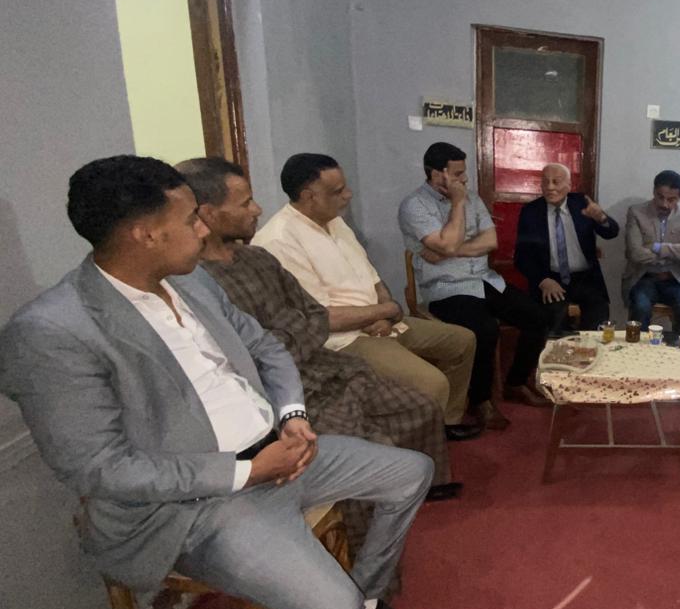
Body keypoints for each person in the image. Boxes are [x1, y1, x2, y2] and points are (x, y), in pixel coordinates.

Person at [0, 156, 431, 609]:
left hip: (280, 452)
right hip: (198, 504)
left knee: (409, 472)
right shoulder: (51, 330)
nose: (203, 230)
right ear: (145, 234)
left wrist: (292, 415)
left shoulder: (192, 282)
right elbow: (98, 468)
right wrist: (249, 471)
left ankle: (363, 604)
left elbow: (267, 347)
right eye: (189, 220)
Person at [180, 157, 463, 510]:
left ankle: (421, 486)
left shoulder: (258, 258)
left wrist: (380, 311)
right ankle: (362, 525)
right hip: (291, 383)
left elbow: (311, 313)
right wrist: (297, 334)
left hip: (326, 363)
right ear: (208, 214)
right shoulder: (200, 281)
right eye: (246, 203)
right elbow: (262, 347)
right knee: (367, 443)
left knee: (419, 407)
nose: (257, 209)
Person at [251, 153, 479, 441]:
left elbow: (373, 277)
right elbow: (321, 317)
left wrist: (385, 312)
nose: (348, 195)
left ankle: (444, 422)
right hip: (344, 340)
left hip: (380, 320)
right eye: (338, 191)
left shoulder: (334, 222)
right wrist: (385, 311)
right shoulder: (279, 240)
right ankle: (419, 451)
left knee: (463, 341)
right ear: (309, 196)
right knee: (432, 383)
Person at [398, 142, 550, 429]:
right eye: (457, 174)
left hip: (484, 278)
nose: (465, 179)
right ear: (436, 174)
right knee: (484, 329)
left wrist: (449, 250)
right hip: (446, 286)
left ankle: (516, 382)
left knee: (537, 316)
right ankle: (480, 401)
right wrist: (456, 205)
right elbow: (445, 243)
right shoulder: (414, 206)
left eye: (463, 172)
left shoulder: (472, 197)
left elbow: (490, 241)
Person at [514, 162, 620, 334]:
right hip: (551, 278)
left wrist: (601, 217)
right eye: (545, 182)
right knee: (554, 319)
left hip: (586, 279)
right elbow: (522, 257)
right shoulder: (531, 212)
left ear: (569, 185)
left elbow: (611, 233)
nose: (550, 187)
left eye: (556, 181)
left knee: (598, 318)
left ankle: (591, 349)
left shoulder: (582, 204)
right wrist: (543, 280)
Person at [623, 170, 680, 340]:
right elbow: (635, 254)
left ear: (679, 197)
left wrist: (657, 247)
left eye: (671, 199)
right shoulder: (636, 212)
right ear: (654, 191)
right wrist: (674, 254)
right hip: (643, 278)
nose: (665, 204)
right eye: (660, 197)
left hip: (676, 279)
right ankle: (637, 352)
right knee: (640, 308)